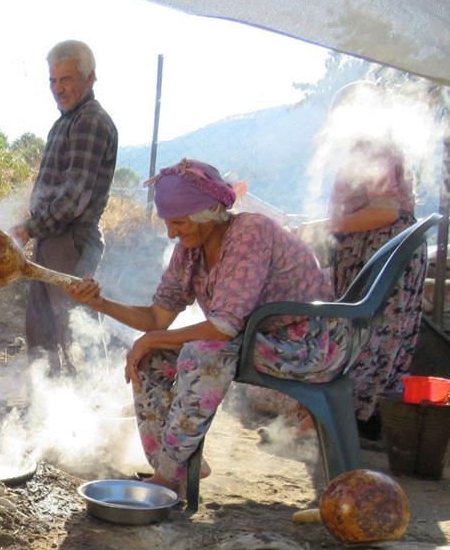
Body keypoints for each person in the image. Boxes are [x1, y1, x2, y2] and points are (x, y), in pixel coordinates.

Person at [65, 159, 350, 494]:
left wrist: (154, 338)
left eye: (179, 222)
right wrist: (101, 303)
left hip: (311, 343)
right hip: (258, 339)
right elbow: (157, 319)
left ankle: (169, 475)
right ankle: (176, 468)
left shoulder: (250, 233)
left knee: (202, 354)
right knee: (151, 357)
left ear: (210, 212)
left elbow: (223, 328)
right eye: (169, 224)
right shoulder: (190, 250)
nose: (172, 232)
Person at [302, 128, 427, 443]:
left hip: (382, 253)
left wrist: (326, 226)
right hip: (373, 251)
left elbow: (386, 210)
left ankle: (350, 417)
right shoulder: (368, 149)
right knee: (365, 334)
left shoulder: (377, 148)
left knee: (368, 337)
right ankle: (362, 419)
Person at [14, 40, 118, 373]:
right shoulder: (66, 121)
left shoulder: (90, 122)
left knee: (74, 334)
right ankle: (50, 409)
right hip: (53, 239)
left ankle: (92, 409)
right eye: (53, 81)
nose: (58, 89)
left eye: (67, 80)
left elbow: (74, 199)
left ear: (89, 79)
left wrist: (28, 228)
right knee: (42, 331)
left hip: (71, 242)